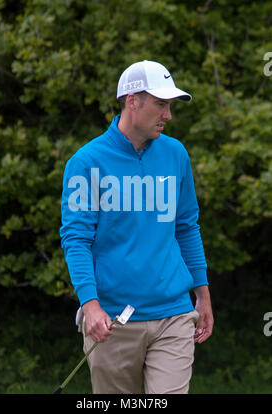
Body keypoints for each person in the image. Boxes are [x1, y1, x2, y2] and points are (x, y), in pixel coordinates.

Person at [60, 60, 214, 394]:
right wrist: (90, 306)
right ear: (133, 101)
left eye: (170, 106)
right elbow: (76, 240)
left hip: (174, 313)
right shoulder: (86, 163)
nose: (168, 115)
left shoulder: (175, 155)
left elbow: (186, 227)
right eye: (161, 104)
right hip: (113, 322)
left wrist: (202, 294)